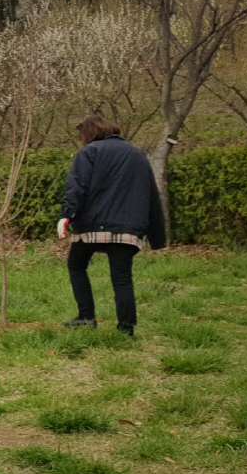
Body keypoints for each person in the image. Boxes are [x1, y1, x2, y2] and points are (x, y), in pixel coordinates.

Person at [57, 115, 167, 336]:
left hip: (92, 226)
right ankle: (126, 329)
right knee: (122, 278)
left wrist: (66, 215)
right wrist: (157, 237)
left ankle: (86, 317)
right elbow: (151, 196)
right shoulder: (137, 154)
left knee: (76, 265)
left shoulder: (90, 152)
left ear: (88, 133)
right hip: (128, 227)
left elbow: (77, 186)